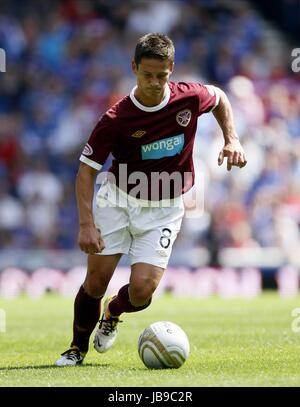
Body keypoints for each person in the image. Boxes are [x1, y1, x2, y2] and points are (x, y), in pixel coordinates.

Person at [55, 33, 247, 366]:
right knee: (96, 279)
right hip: (118, 200)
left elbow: (219, 98)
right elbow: (85, 172)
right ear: (134, 68)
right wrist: (86, 224)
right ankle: (76, 349)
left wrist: (232, 139)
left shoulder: (188, 98)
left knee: (143, 291)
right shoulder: (116, 119)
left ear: (171, 68)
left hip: (164, 207)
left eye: (162, 75)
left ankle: (113, 312)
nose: (155, 83)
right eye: (148, 75)